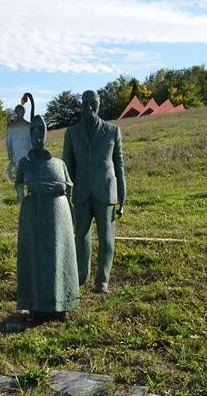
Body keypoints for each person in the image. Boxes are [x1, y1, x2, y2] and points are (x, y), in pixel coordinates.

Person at [16, 115, 79, 322]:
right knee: (36, 259)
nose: (37, 133)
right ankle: (36, 307)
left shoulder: (59, 163)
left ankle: (61, 305)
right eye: (33, 129)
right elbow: (20, 190)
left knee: (59, 257)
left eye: (41, 129)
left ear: (47, 131)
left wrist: (57, 191)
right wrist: (33, 189)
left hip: (59, 217)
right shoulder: (25, 163)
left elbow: (67, 187)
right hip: (34, 217)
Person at [63, 90, 126, 293]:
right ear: (81, 105)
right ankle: (81, 277)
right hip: (82, 191)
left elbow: (119, 165)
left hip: (106, 192)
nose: (89, 107)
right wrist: (65, 196)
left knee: (107, 238)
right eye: (86, 103)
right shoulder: (71, 133)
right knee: (81, 236)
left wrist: (122, 196)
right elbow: (67, 167)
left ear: (99, 104)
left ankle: (102, 281)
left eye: (94, 103)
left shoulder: (112, 131)